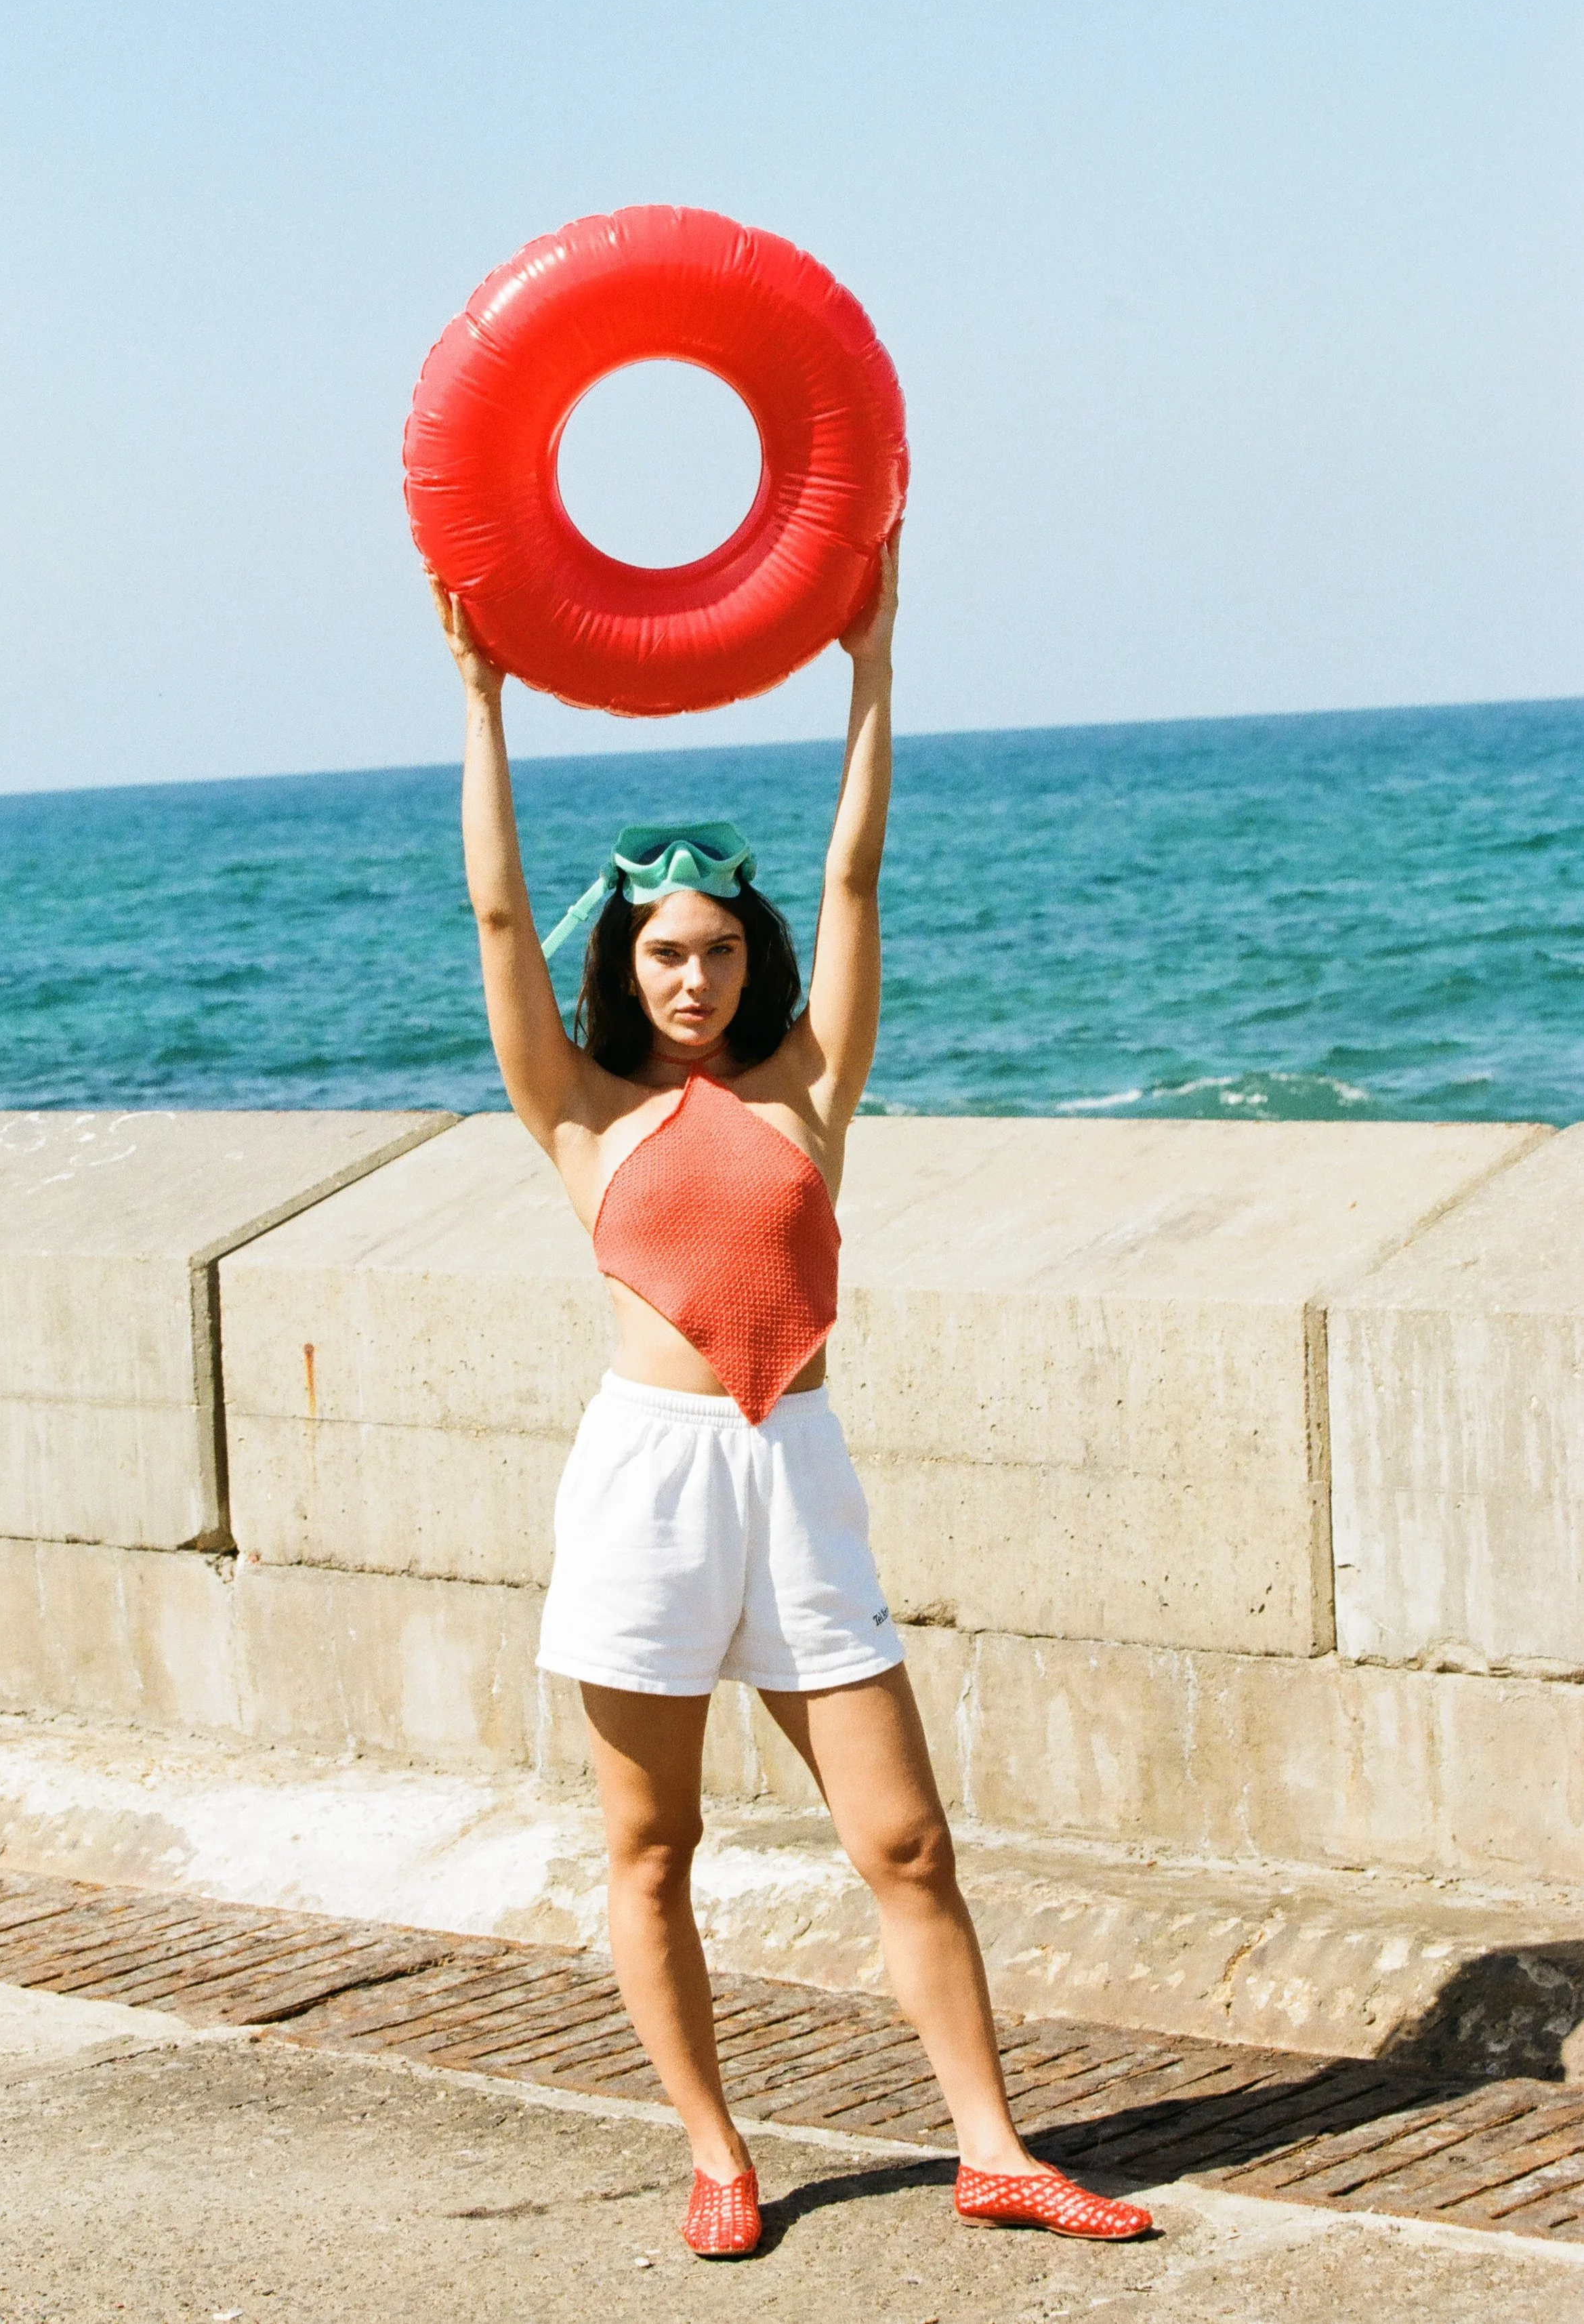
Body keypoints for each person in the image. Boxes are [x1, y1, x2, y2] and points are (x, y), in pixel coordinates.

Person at [430, 539, 1150, 2259]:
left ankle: (992, 2148)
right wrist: (479, 700)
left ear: (751, 963)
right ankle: (715, 2151)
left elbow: (858, 876)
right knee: (654, 1843)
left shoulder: (808, 1087)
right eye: (665, 954)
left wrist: (872, 665)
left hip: (795, 1470)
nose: (695, 978)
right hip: (647, 1485)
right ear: (631, 965)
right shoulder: (579, 1110)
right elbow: (499, 916)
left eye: (719, 952)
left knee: (903, 1839)